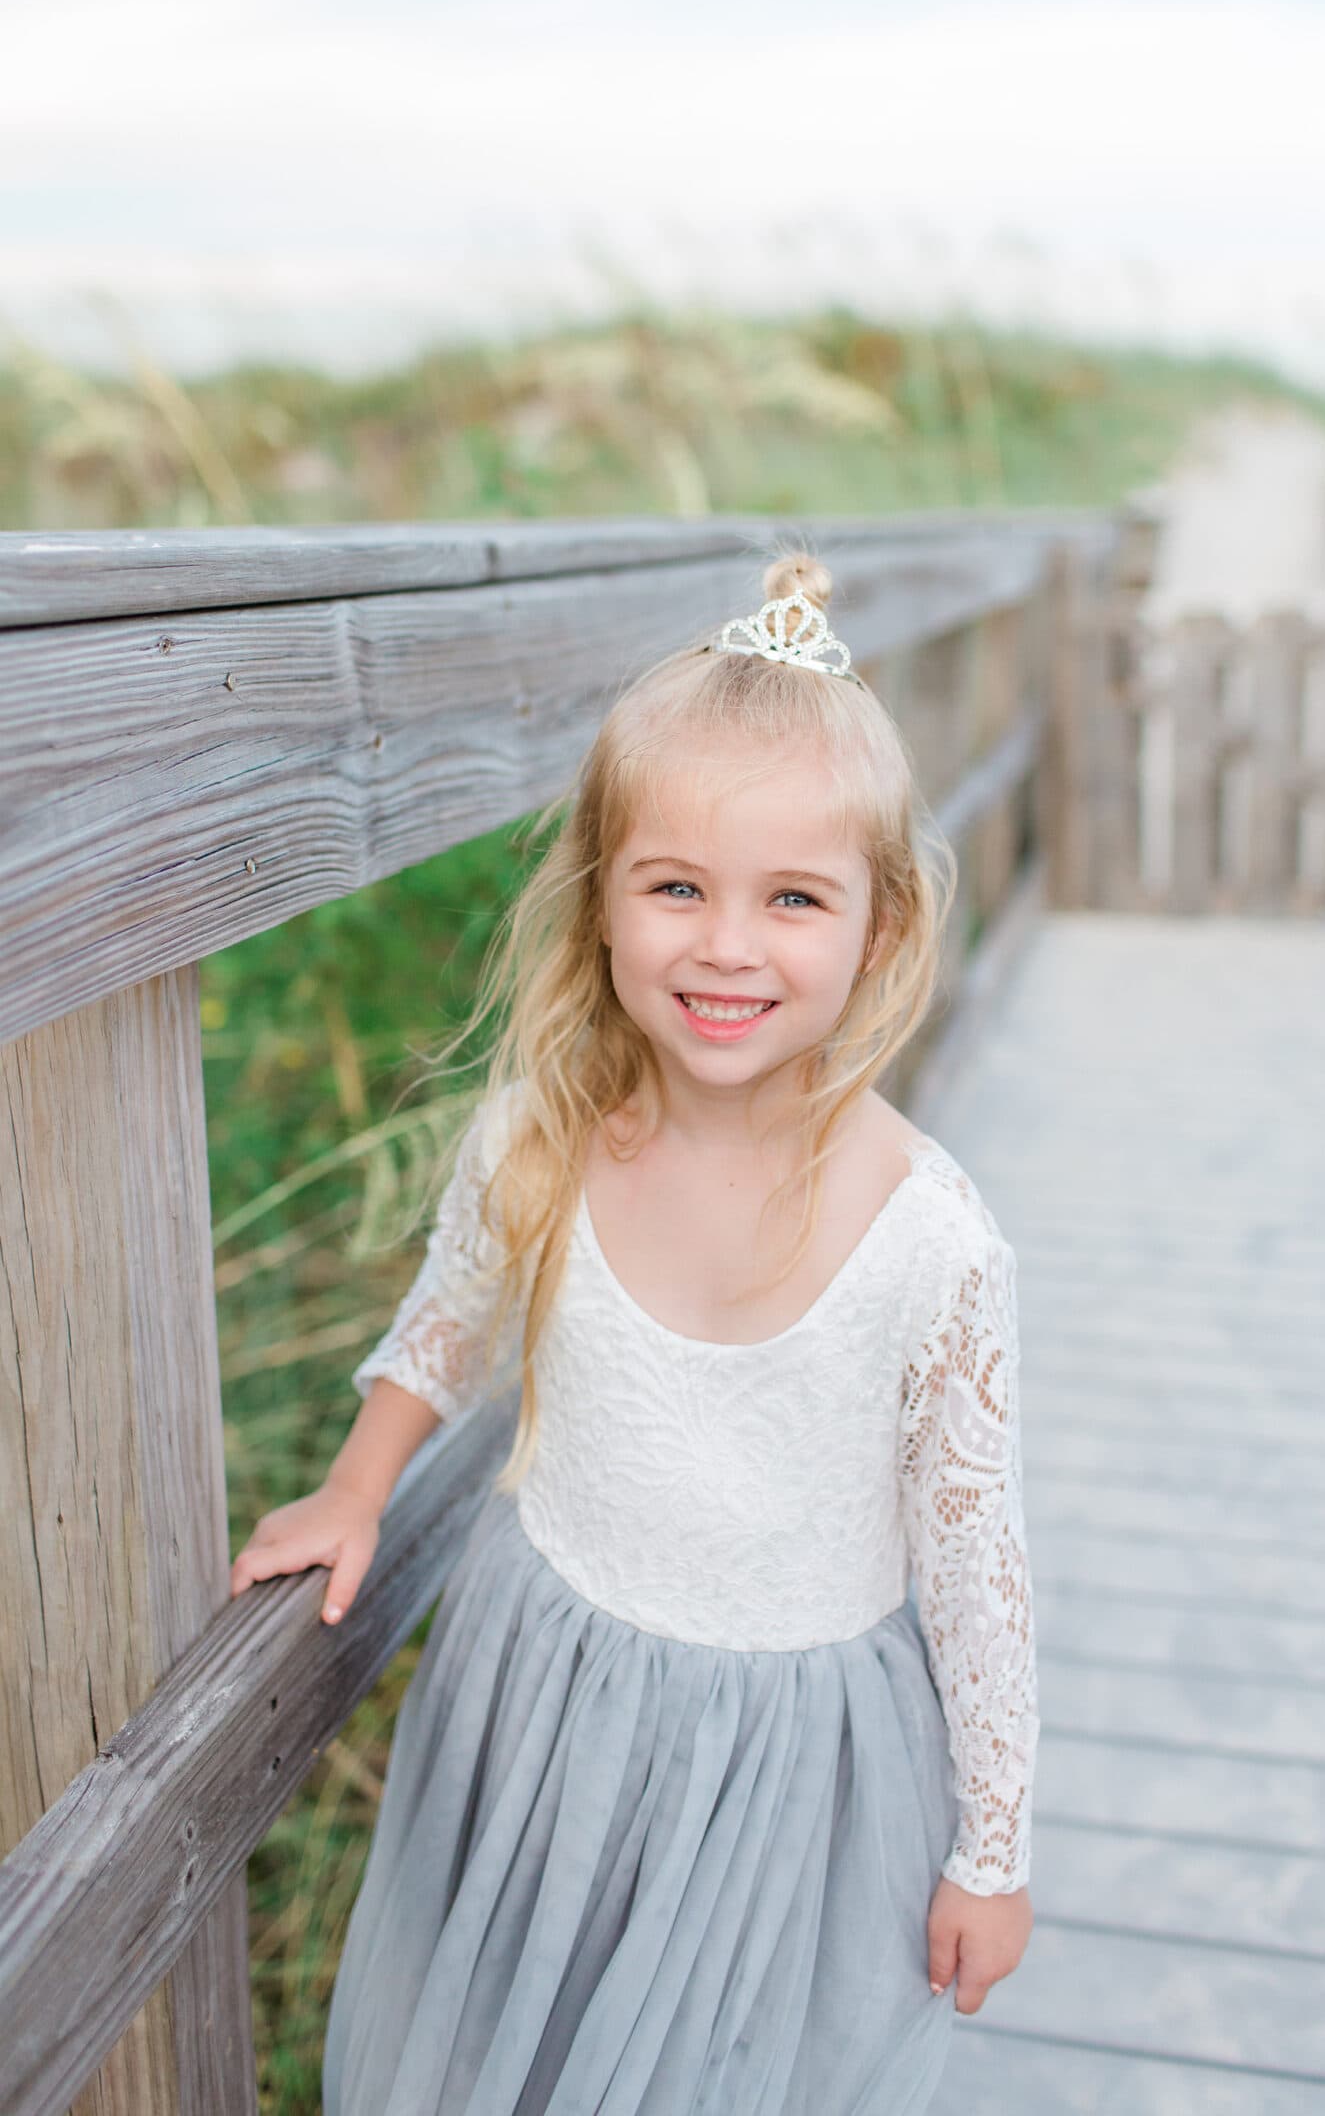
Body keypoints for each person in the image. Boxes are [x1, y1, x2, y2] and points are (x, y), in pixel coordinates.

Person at [229, 550, 1041, 2115]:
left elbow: (978, 1564)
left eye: (792, 899)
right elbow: (447, 1318)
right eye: (677, 886)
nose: (726, 947)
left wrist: (990, 1852)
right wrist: (355, 1486)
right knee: (522, 2039)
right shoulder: (543, 1134)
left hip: (785, 1763)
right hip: (553, 1698)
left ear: (876, 934)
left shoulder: (930, 1242)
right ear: (601, 899)